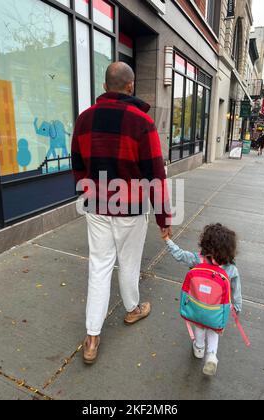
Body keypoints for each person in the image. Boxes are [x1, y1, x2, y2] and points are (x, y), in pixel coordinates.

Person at [72, 62, 172, 364]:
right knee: (128, 262)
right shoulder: (142, 122)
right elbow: (155, 173)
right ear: (130, 86)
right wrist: (163, 218)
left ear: (105, 87)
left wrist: (87, 192)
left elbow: (77, 164)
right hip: (131, 208)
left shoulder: (84, 119)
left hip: (97, 205)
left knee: (100, 266)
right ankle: (132, 309)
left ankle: (92, 337)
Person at [162, 224, 242, 376]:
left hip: (197, 306)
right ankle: (211, 355)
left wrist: (167, 239)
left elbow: (179, 255)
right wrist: (237, 308)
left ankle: (199, 348)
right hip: (217, 310)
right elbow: (236, 291)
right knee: (213, 329)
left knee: (199, 324)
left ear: (205, 244)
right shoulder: (231, 269)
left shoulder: (198, 259)